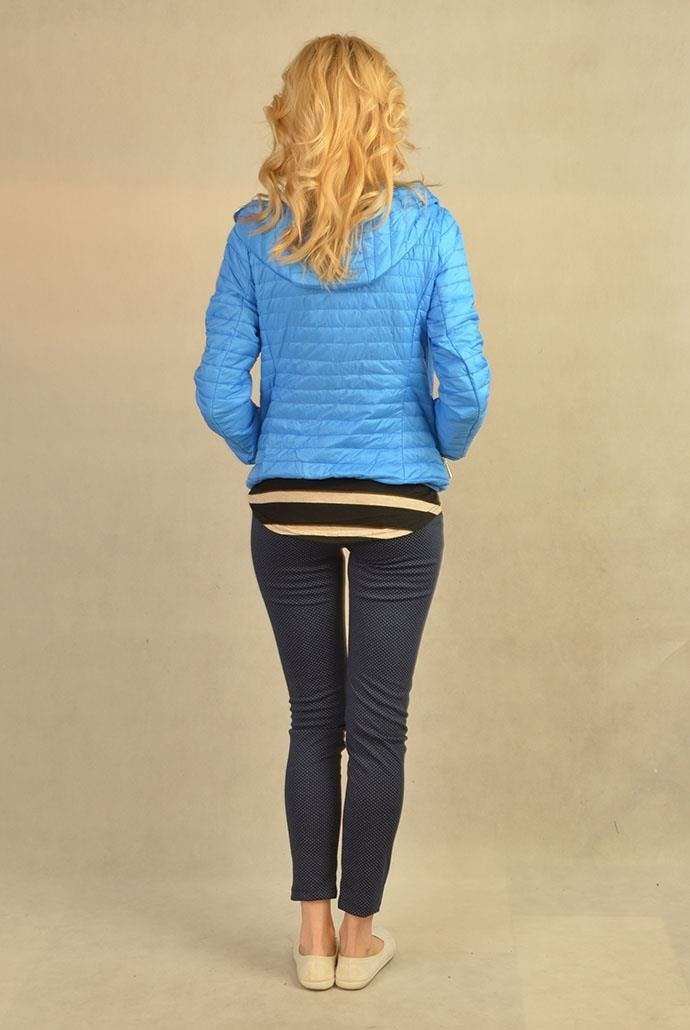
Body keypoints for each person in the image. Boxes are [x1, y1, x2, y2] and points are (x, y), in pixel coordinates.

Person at [193, 33, 491, 991]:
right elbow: (468, 381)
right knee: (380, 728)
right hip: (400, 507)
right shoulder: (431, 228)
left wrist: (268, 449)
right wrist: (435, 446)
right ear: (383, 115)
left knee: (311, 720)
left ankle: (311, 937)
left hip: (287, 507)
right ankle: (361, 940)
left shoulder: (254, 233)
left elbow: (216, 387)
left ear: (294, 115)